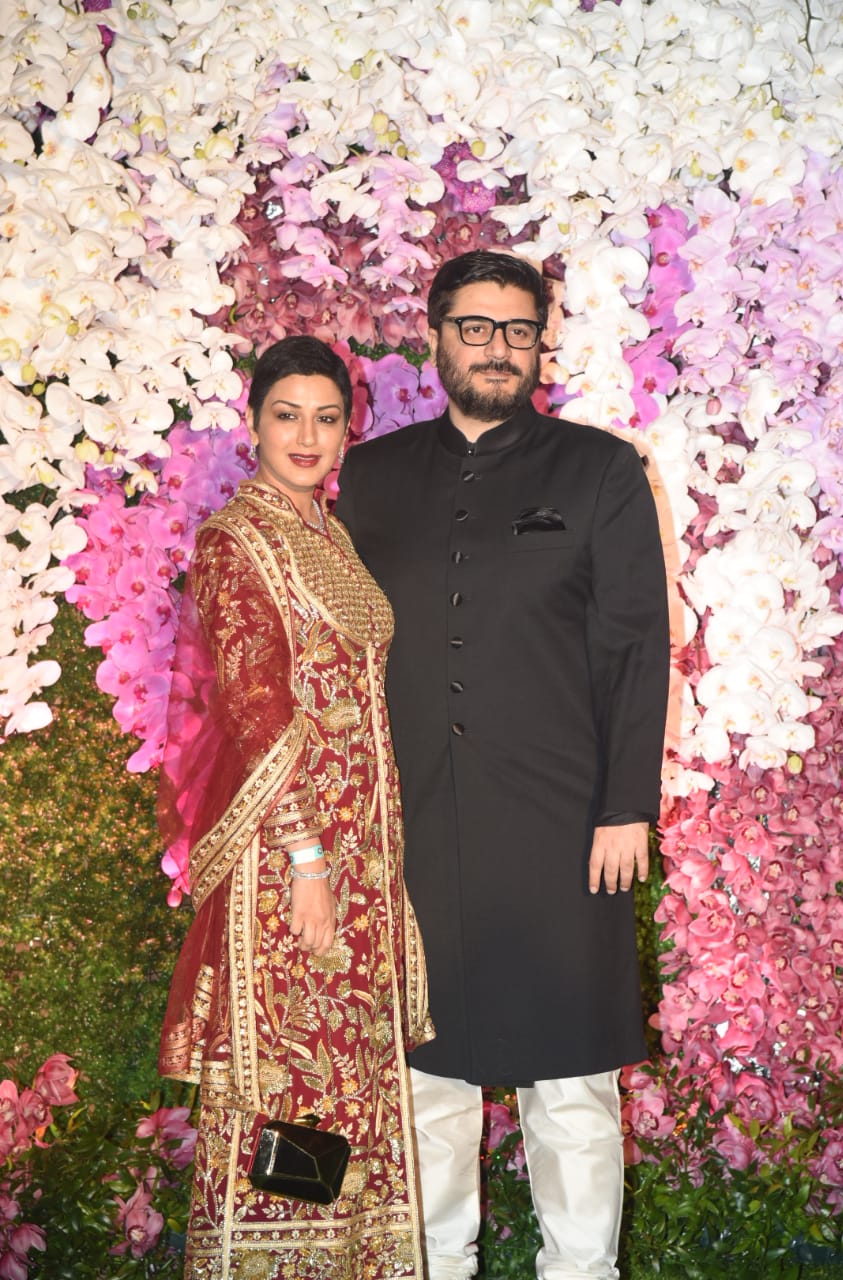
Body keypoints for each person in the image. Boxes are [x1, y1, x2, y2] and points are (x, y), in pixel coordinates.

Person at [336, 250, 670, 1280]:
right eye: (476, 327)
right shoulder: (372, 477)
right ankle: (436, 1263)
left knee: (570, 1083)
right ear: (435, 336)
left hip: (560, 827)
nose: (497, 348)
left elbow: (634, 645)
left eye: (517, 330)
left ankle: (581, 1269)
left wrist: (625, 807)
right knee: (424, 1081)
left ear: (540, 345)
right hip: (412, 826)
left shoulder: (599, 470)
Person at [157, 335, 434, 1279]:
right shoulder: (236, 543)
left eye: (326, 417)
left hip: (364, 859)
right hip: (291, 865)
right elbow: (254, 709)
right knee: (288, 1087)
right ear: (253, 424)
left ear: (349, 429)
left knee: (349, 1088)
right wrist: (307, 863)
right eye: (287, 416)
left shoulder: (330, 534)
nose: (307, 436)